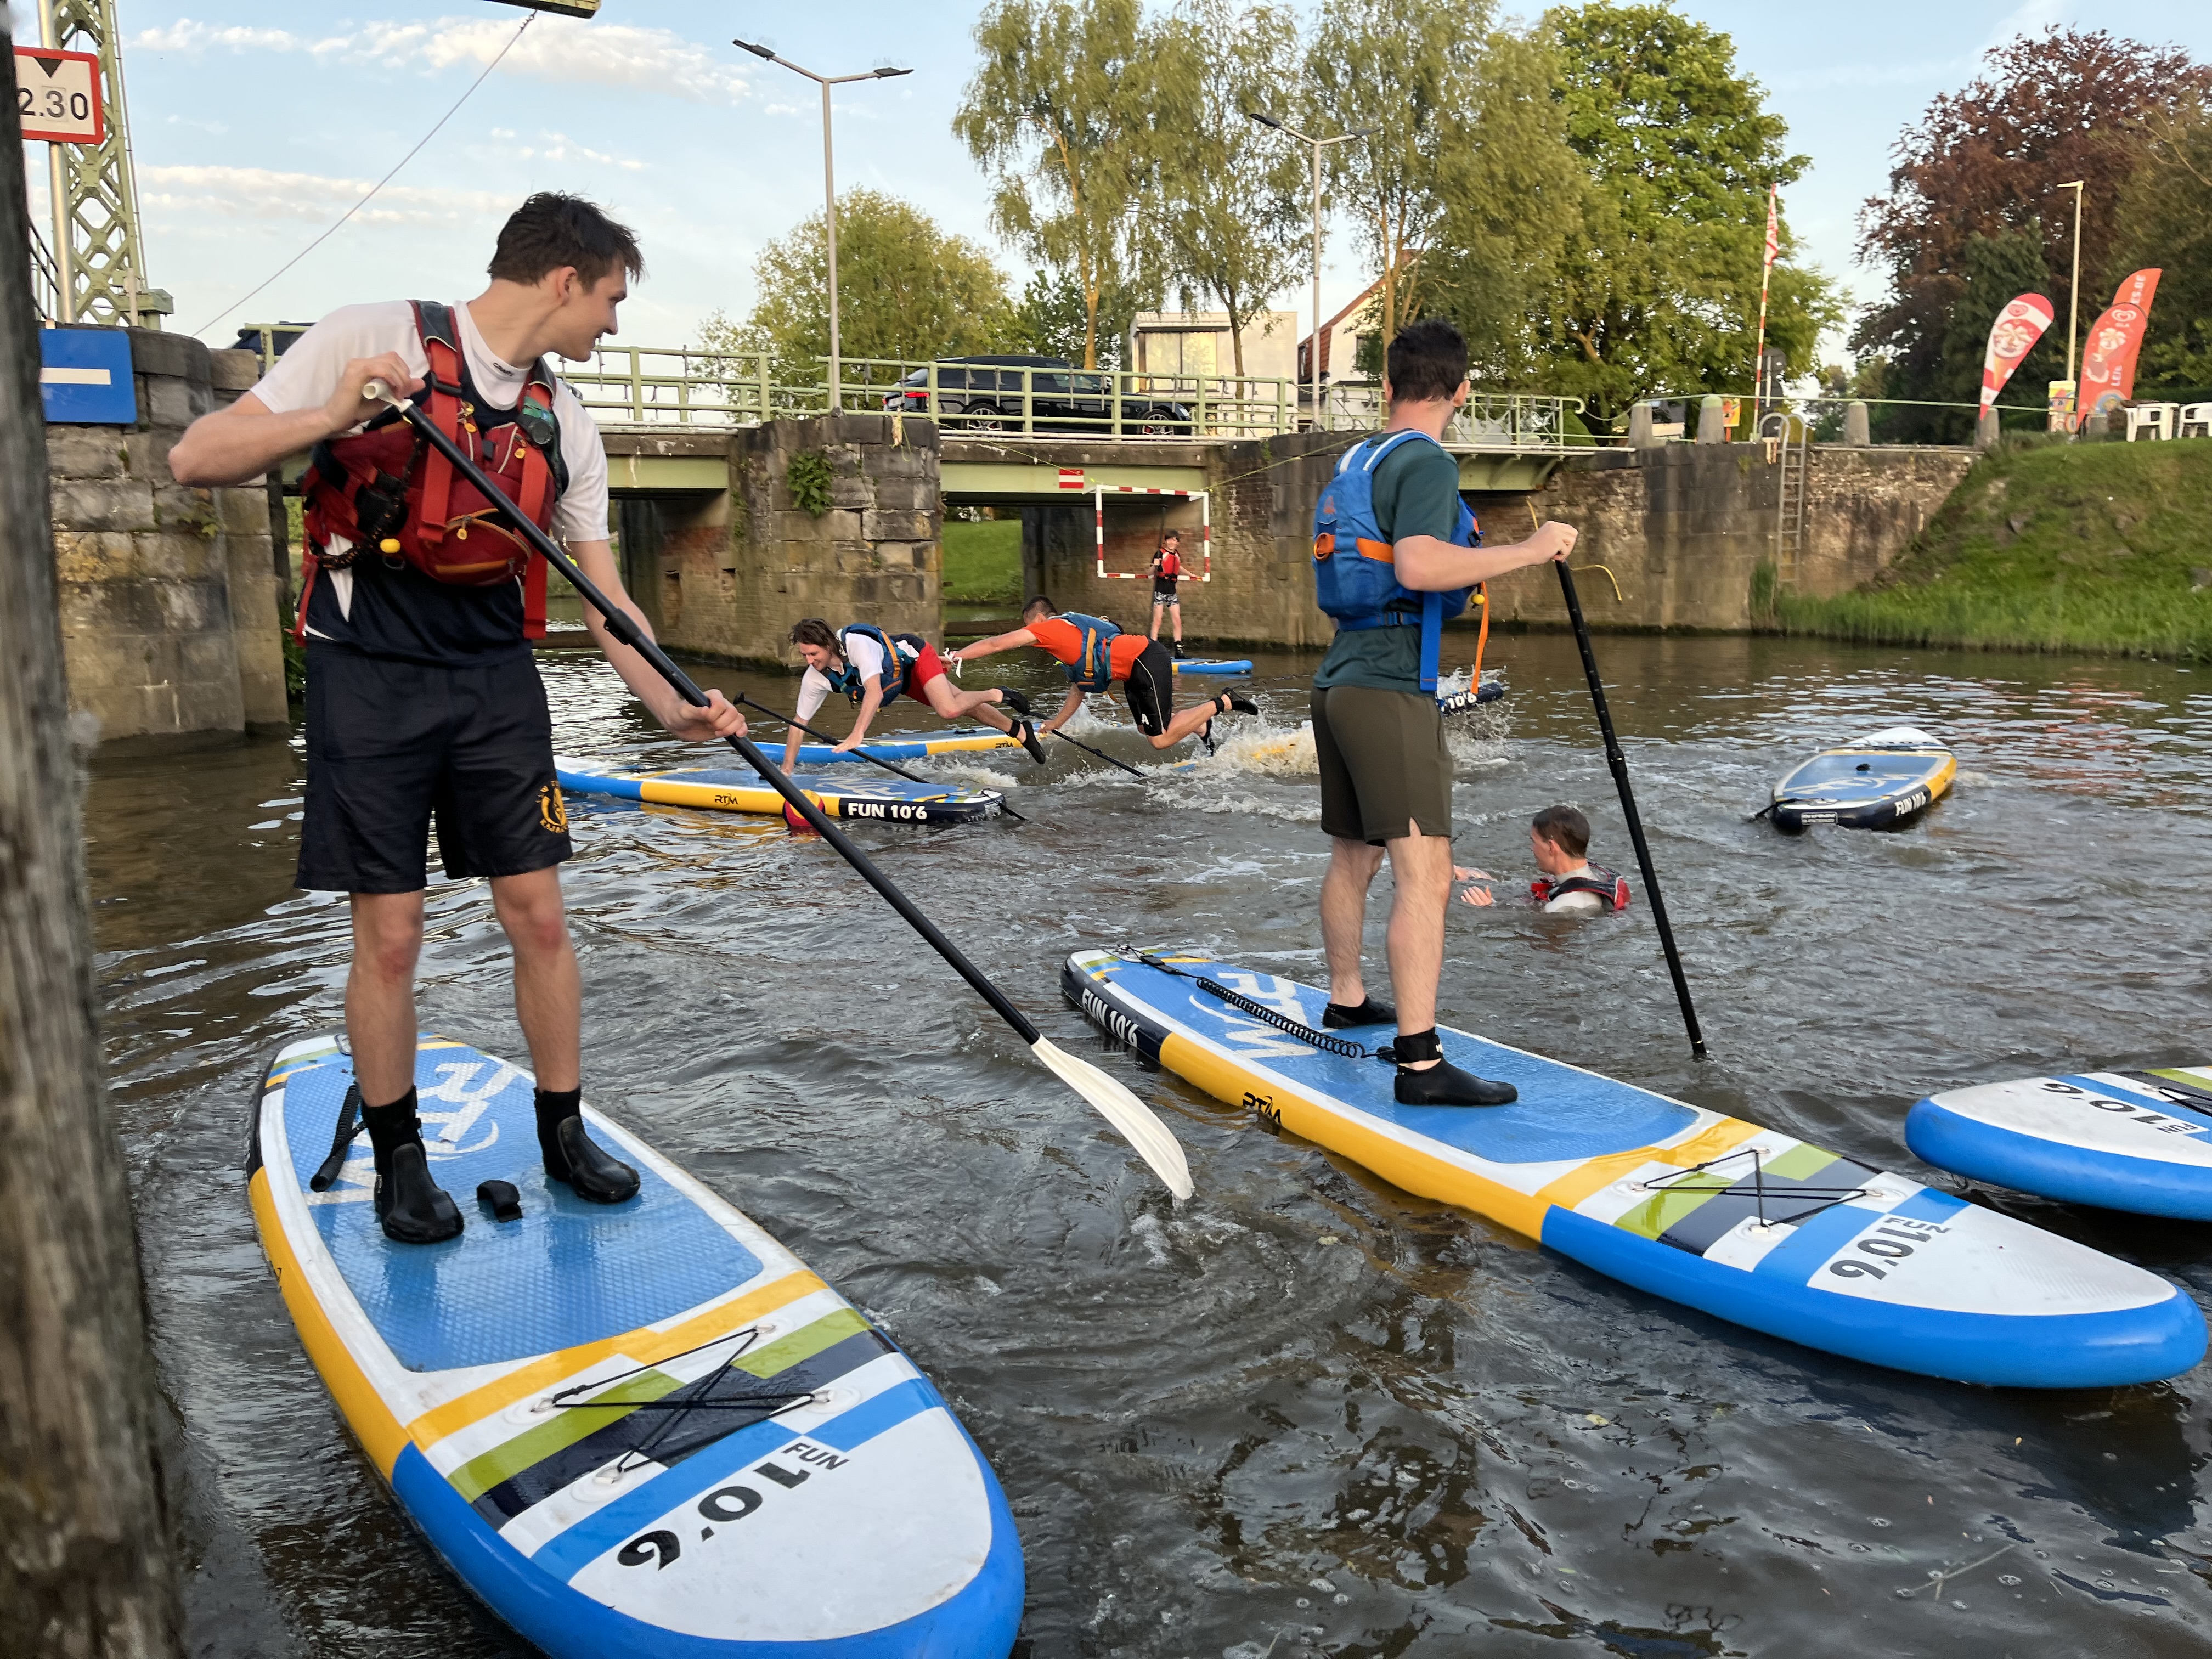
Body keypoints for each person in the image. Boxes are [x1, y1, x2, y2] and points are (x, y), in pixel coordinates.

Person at [170, 193, 749, 1243]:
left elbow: (603, 596)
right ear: (565, 277)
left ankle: (563, 1130)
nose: (612, 325)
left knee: (540, 915)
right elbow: (197, 457)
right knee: (390, 933)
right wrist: (333, 415)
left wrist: (671, 702)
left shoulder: (563, 421)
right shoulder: (370, 336)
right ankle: (399, 1155)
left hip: (491, 676)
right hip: (370, 671)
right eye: (611, 299)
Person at [1307, 318, 1579, 1108]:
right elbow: (1424, 564)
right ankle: (1421, 1066)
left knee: (1353, 857)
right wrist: (1531, 550)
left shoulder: (1357, 458)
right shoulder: (1424, 459)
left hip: (1339, 679)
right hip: (1391, 687)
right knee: (1424, 873)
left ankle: (1348, 998)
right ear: (1460, 392)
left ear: (1388, 386)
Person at [950, 599, 1254, 752]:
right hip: (1134, 671)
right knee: (1144, 730)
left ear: (1040, 619)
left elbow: (995, 643)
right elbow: (1077, 690)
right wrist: (1055, 724)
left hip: (1146, 659)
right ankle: (1202, 728)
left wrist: (955, 656)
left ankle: (1224, 701)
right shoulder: (1066, 641)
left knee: (1159, 741)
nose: (1029, 634)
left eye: (1029, 626)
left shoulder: (1049, 629)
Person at [780, 618, 1048, 768]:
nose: (809, 661)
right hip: (901, 680)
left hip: (916, 657)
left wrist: (857, 733)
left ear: (829, 645)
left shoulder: (857, 644)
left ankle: (996, 692)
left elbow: (873, 692)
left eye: (813, 654)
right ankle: (1019, 731)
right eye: (804, 655)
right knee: (963, 704)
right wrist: (787, 770)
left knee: (950, 709)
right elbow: (799, 724)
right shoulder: (815, 678)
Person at [1455, 805, 1632, 913]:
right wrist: (1478, 878)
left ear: (1551, 847)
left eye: (1534, 841)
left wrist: (1489, 909)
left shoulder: (1565, 906)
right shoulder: (1596, 876)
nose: (1532, 848)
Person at [1147, 529, 1187, 656]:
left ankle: (1178, 648)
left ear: (1178, 543)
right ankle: (1153, 647)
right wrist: (1155, 565)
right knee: (1158, 620)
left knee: (1177, 620)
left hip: (1172, 592)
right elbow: (1148, 573)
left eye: (1174, 540)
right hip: (1160, 591)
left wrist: (1192, 575)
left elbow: (1178, 567)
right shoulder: (1160, 553)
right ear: (1166, 541)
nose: (1171, 542)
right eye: (1169, 540)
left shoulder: (1177, 555)